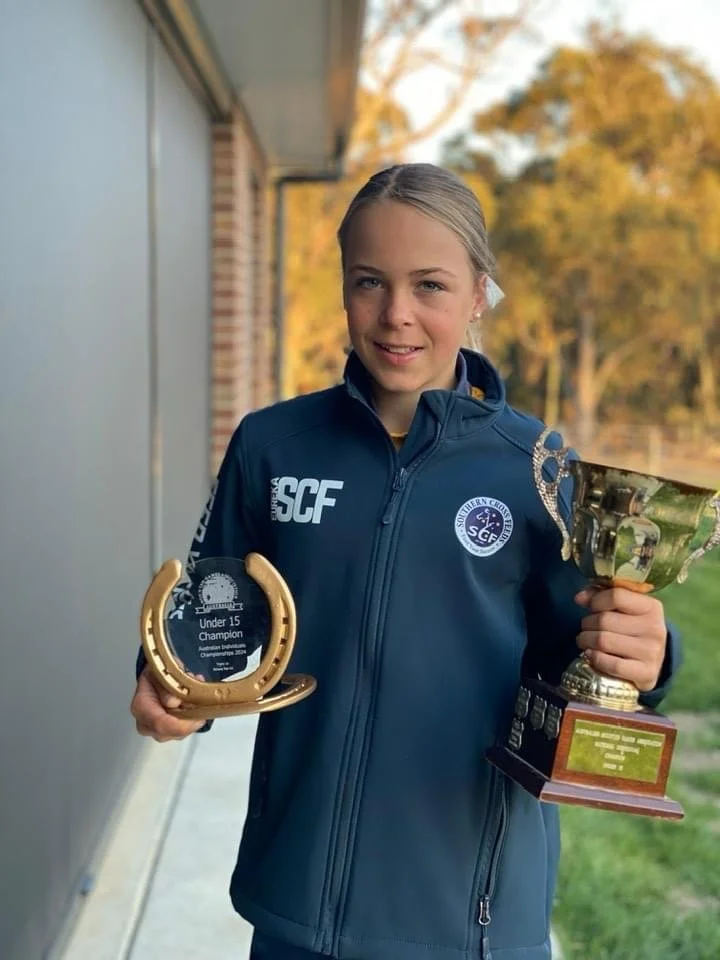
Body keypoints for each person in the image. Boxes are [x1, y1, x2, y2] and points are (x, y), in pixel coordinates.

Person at [131, 163, 679, 960]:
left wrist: (645, 654)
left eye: (430, 285)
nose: (396, 315)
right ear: (343, 287)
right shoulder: (273, 446)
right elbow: (212, 619)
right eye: (369, 282)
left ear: (478, 294)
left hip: (470, 919)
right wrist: (169, 681)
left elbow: (585, 655)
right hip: (296, 908)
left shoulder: (540, 469)